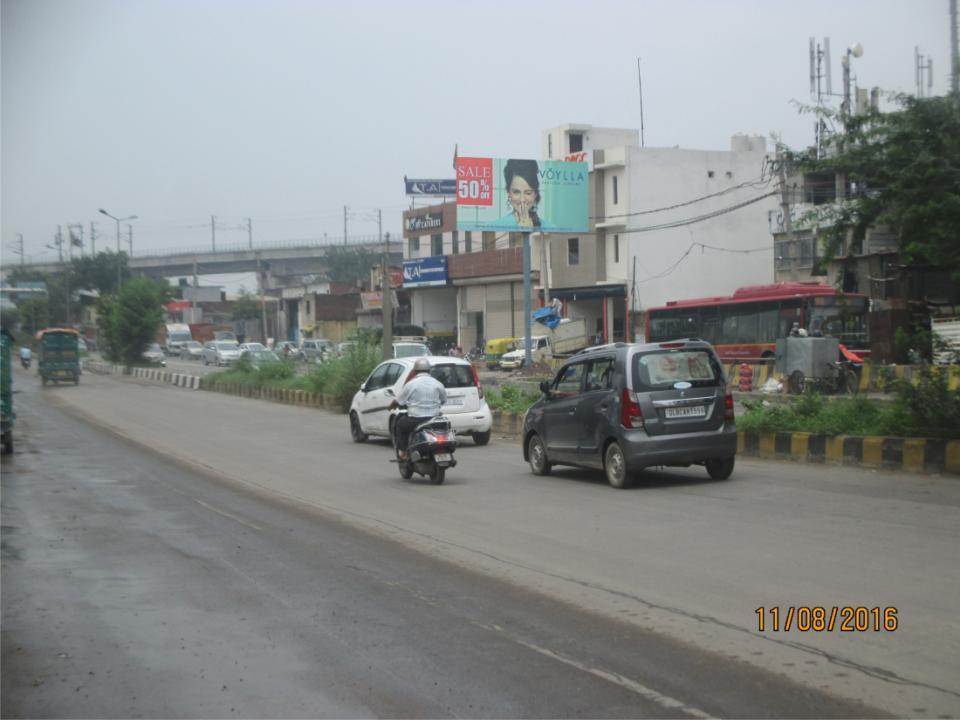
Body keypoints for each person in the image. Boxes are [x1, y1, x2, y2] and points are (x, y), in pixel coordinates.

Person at [391, 358, 447, 459]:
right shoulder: (438, 384)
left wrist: (391, 406)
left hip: (415, 419)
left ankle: (403, 452)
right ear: (429, 371)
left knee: (399, 425)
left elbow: (399, 401)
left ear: (415, 371)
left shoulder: (411, 384)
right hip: (434, 419)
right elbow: (443, 400)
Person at [497, 159, 545, 229]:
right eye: (516, 192)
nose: (522, 199)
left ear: (535, 194)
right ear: (508, 193)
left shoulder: (551, 227)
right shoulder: (495, 226)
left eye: (528, 193)